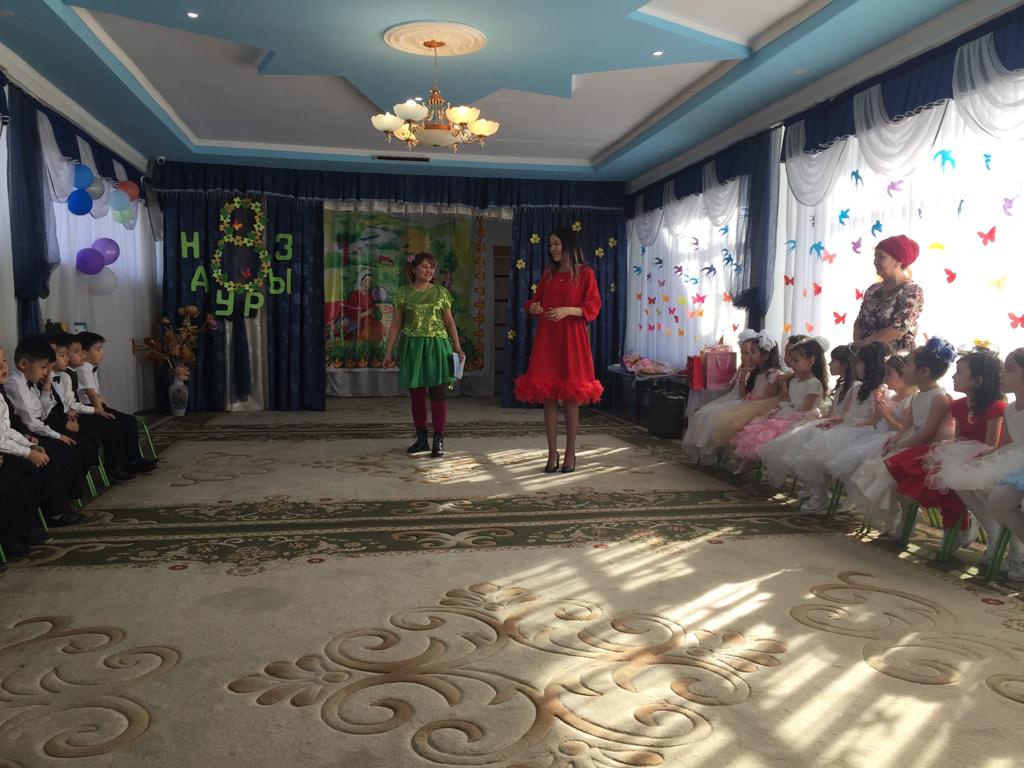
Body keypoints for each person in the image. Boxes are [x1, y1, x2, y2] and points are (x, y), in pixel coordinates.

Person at [927, 347, 1024, 571]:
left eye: (1010, 370)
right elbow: (1007, 445)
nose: (1002, 374)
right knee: (968, 479)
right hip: (1015, 461)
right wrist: (988, 456)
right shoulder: (1011, 410)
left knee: (999, 498)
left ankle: (1017, 552)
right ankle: (1004, 541)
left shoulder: (1001, 408)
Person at [514, 227, 603, 474]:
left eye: (556, 244)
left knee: (572, 397)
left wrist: (567, 311)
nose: (552, 248)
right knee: (549, 397)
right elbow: (535, 301)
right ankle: (552, 452)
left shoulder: (585, 273)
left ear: (568, 245)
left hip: (572, 339)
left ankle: (570, 452)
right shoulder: (549, 274)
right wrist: (533, 308)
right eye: (550, 244)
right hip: (548, 339)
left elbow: (593, 306)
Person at [848, 337, 956, 534]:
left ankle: (907, 515)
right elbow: (907, 426)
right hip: (909, 442)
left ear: (924, 372)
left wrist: (902, 447)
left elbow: (928, 432)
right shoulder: (917, 396)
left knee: (891, 476)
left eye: (908, 365)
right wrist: (895, 441)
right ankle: (902, 514)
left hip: (926, 448)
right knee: (881, 473)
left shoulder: (939, 397)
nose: (904, 369)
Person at [917, 347, 1007, 547]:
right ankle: (971, 524)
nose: (953, 376)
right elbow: (959, 439)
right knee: (944, 475)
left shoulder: (997, 408)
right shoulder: (958, 406)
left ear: (977, 380)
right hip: (965, 454)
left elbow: (991, 445)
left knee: (964, 480)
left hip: (988, 458)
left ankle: (991, 532)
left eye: (959, 372)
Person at [384, 252, 464, 459]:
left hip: (438, 346)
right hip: (412, 346)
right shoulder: (402, 294)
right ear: (413, 269)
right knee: (417, 395)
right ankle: (421, 439)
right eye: (424, 266)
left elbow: (449, 322)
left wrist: (457, 347)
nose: (429, 270)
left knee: (438, 394)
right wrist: (389, 351)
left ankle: (438, 439)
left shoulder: (441, 292)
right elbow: (396, 324)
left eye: (432, 267)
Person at [0, 344, 83, 528]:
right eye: (44, 367)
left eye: (4, 362)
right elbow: (30, 422)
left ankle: (61, 504)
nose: (47, 372)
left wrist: (46, 389)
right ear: (24, 364)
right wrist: (31, 447)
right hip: (25, 433)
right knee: (50, 457)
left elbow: (38, 416)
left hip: (24, 434)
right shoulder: (14, 384)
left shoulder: (22, 383)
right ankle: (51, 512)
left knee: (66, 449)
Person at [731, 336, 828, 468]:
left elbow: (805, 410)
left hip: (804, 418)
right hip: (791, 412)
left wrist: (783, 415)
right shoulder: (795, 381)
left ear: (811, 361)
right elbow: (789, 401)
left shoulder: (814, 384)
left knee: (773, 429)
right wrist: (778, 410)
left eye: (796, 360)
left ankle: (757, 462)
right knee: (763, 425)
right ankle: (751, 461)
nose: (792, 363)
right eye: (792, 359)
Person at [50, 331, 133, 483]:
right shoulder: (64, 375)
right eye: (64, 354)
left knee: (114, 424)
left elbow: (70, 402)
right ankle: (112, 468)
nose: (81, 355)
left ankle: (120, 465)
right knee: (100, 430)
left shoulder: (66, 376)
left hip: (72, 413)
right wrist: (95, 410)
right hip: (62, 418)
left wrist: (96, 410)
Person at [74, 331, 157, 474]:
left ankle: (134, 459)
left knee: (129, 421)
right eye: (98, 349)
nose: (102, 353)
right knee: (115, 425)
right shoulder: (82, 368)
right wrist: (101, 412)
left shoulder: (89, 368)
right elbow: (91, 395)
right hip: (89, 408)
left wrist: (104, 404)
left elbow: (96, 393)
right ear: (84, 353)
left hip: (97, 406)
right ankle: (117, 465)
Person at [682, 330, 757, 458]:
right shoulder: (741, 368)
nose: (744, 357)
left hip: (742, 399)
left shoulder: (754, 371)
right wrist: (731, 384)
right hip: (731, 396)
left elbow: (745, 392)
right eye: (742, 353)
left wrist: (741, 379)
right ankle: (702, 446)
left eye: (749, 353)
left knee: (716, 416)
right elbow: (733, 382)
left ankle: (714, 448)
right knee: (704, 412)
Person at [705, 332, 782, 453]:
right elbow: (743, 395)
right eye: (748, 352)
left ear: (765, 356)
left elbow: (769, 397)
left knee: (735, 424)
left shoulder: (773, 374)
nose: (749, 355)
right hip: (749, 403)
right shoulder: (755, 372)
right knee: (724, 419)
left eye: (753, 352)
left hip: (763, 408)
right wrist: (742, 378)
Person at [853, 235, 924, 353]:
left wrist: (861, 345)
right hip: (865, 357)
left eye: (881, 256)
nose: (875, 261)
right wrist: (858, 347)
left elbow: (898, 329)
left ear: (898, 261)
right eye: (875, 256)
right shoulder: (873, 289)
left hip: (894, 360)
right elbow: (860, 321)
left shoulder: (912, 291)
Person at [343, 268, 386, 343]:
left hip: (369, 320)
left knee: (380, 328)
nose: (367, 284)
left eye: (370, 282)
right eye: (365, 281)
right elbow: (353, 315)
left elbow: (372, 308)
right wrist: (367, 312)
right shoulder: (355, 295)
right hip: (358, 322)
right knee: (366, 332)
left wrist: (375, 310)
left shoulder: (369, 295)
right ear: (360, 280)